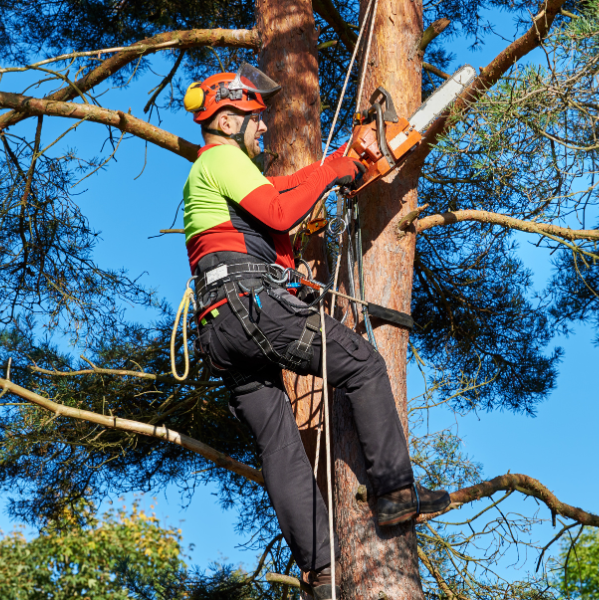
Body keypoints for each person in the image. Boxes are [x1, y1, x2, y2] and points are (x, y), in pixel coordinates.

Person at [181, 64, 450, 599]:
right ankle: (395, 492)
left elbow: (277, 195)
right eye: (256, 120)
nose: (263, 130)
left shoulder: (218, 177)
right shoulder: (223, 160)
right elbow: (280, 211)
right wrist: (333, 170)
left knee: (279, 444)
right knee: (363, 365)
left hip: (219, 330)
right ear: (229, 119)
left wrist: (340, 165)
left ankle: (322, 572)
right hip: (249, 308)